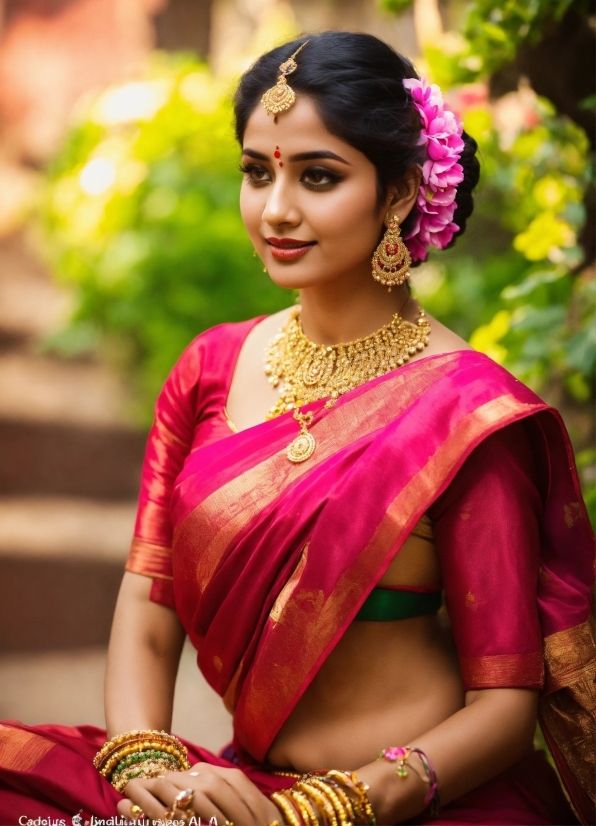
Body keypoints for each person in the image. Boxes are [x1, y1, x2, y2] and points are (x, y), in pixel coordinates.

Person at [0, 31, 593, 826]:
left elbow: (504, 704)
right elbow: (149, 608)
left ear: (398, 193)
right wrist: (149, 762)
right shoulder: (211, 367)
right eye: (257, 172)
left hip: (409, 804)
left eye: (318, 177)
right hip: (237, 795)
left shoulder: (467, 413)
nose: (275, 209)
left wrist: (342, 805)